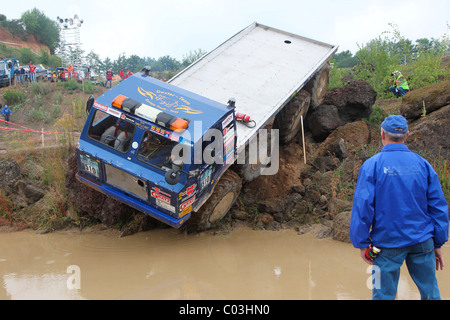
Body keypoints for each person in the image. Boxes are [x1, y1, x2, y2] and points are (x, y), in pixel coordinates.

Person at [350, 115, 448, 300]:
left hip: (385, 245)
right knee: (431, 294)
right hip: (423, 241)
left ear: (382, 134)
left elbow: (363, 208)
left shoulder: (372, 166)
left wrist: (362, 243)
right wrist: (438, 242)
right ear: (407, 135)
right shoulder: (423, 165)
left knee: (382, 295)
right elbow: (438, 206)